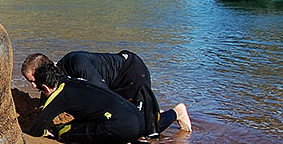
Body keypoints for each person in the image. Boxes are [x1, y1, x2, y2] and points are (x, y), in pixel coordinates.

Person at [21, 51, 191, 136]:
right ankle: (153, 113)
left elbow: (105, 97)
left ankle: (176, 112)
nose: (35, 86)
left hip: (131, 74)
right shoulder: (52, 82)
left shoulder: (76, 64)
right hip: (114, 81)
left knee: (146, 130)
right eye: (31, 83)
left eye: (34, 80)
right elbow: (44, 108)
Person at [29, 63, 180, 144]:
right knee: (105, 127)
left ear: (46, 88)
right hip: (137, 119)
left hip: (122, 127)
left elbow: (36, 129)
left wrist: (47, 132)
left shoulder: (59, 95)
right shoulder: (73, 81)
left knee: (63, 132)